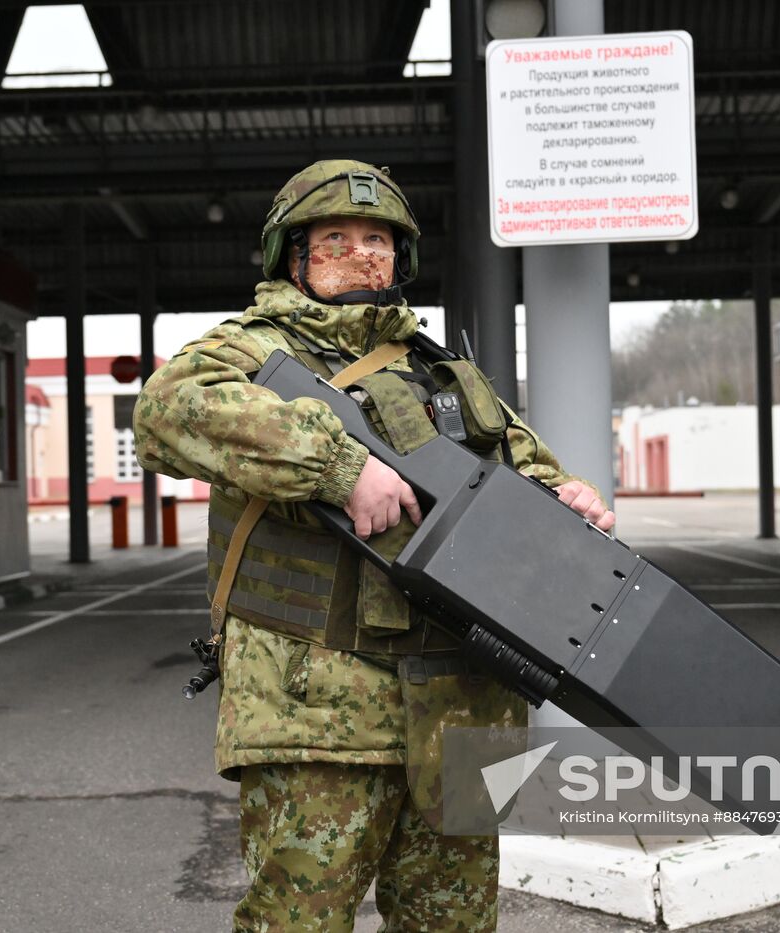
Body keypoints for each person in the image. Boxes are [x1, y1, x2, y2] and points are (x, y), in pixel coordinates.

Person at [133, 159, 614, 932]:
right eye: (335, 237)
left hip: (462, 705)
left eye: (377, 239)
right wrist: (337, 464)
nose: (361, 253)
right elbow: (166, 412)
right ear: (293, 254)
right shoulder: (246, 352)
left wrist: (569, 502)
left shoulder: (447, 374)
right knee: (299, 922)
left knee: (451, 923)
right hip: (318, 705)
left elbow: (529, 470)